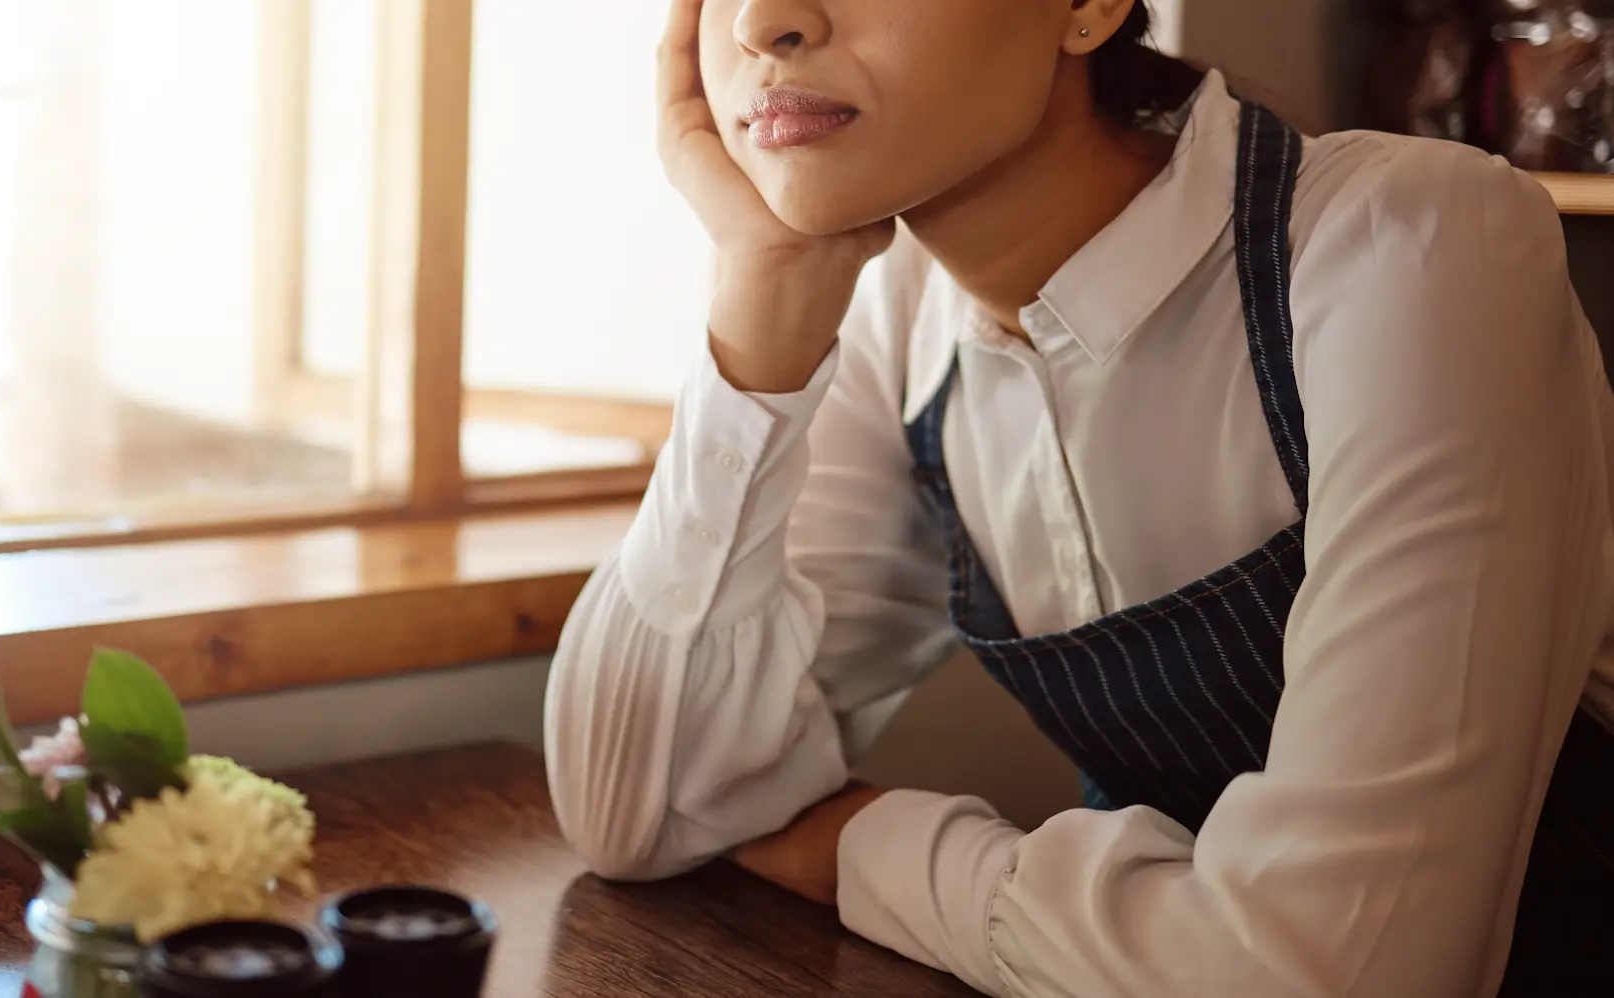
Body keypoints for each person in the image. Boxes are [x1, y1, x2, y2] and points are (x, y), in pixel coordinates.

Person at [541, 1, 1614, 995]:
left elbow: (1333, 972)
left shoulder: (1407, 244)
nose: (763, 22)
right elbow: (638, 809)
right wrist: (763, 293)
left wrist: (861, 848)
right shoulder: (899, 322)